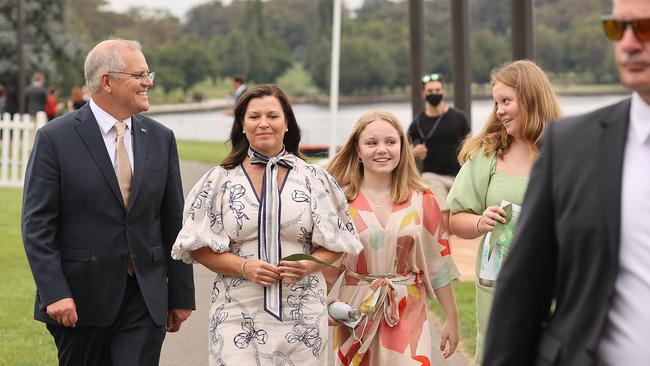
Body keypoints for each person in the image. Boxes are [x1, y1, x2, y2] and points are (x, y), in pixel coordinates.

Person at [483, 1, 650, 365]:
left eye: (645, 27)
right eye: (617, 29)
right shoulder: (573, 146)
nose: (629, 43)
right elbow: (523, 291)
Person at [21, 38, 195, 366]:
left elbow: (175, 222)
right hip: (79, 301)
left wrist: (181, 294)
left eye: (149, 74)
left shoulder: (161, 138)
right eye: (139, 75)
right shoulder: (54, 139)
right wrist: (54, 292)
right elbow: (37, 226)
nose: (149, 82)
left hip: (145, 299)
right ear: (107, 81)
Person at [171, 84, 363, 365]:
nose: (264, 123)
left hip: (304, 312)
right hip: (236, 310)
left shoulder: (315, 179)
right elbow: (196, 246)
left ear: (287, 123)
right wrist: (244, 267)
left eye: (273, 116)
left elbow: (339, 243)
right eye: (254, 116)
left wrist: (308, 264)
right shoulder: (218, 181)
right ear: (242, 125)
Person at [446, 60, 561, 364]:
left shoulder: (566, 150)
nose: (499, 110)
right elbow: (455, 219)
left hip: (553, 283)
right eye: (496, 102)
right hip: (497, 286)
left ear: (531, 98)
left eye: (506, 101)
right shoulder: (487, 154)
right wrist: (481, 222)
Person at [327, 110, 460, 365]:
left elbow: (438, 264)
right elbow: (327, 262)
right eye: (372, 143)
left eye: (390, 142)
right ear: (357, 148)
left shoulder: (423, 199)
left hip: (407, 307)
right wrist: (324, 299)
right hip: (354, 310)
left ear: (402, 146)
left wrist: (451, 319)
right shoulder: (339, 201)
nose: (382, 150)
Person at [408, 73, 470, 232]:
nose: (434, 94)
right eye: (430, 91)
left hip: (459, 175)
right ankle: (445, 252)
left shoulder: (459, 117)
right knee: (443, 214)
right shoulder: (418, 122)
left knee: (459, 218)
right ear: (423, 94)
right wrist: (414, 151)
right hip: (432, 175)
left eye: (437, 90)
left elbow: (471, 142)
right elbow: (403, 148)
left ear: (443, 91)